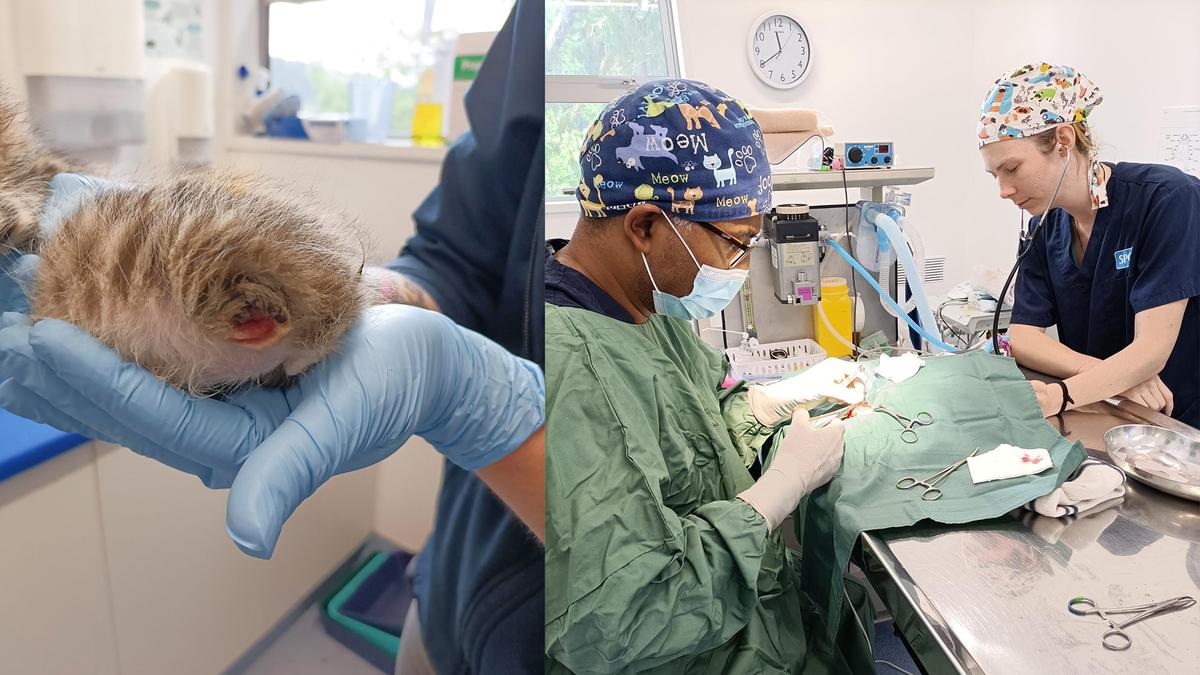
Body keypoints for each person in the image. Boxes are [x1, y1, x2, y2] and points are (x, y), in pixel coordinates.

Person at [0, 1, 546, 673]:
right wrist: (385, 295)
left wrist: (495, 413)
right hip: (451, 592)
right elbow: (459, 254)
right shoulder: (541, 25)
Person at [545, 79, 873, 674]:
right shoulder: (565, 364)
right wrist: (785, 484)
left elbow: (692, 426)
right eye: (736, 244)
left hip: (746, 623)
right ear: (644, 226)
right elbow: (626, 616)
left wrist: (777, 400)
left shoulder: (640, 301)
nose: (742, 268)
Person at [977, 63, 1200, 425]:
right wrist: (1106, 377)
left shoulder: (1167, 199)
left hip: (1175, 420)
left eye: (1012, 168)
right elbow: (1021, 335)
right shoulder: (1044, 228)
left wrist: (1059, 394)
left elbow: (1151, 351)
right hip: (1104, 408)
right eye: (995, 175)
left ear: (1063, 141)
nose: (1003, 191)